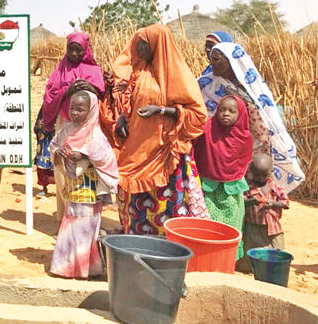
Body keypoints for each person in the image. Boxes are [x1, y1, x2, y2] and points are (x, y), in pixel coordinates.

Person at [104, 23, 209, 235]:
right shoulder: (138, 72)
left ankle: (164, 251)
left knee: (165, 205)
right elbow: (129, 103)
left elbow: (198, 115)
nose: (138, 50)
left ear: (156, 45)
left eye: (143, 45)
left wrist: (161, 111)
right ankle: (134, 243)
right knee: (135, 203)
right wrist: (124, 120)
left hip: (164, 154)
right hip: (137, 150)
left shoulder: (177, 76)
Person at [199, 41, 304, 194]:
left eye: (216, 59)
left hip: (250, 140)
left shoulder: (252, 87)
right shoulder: (206, 84)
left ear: (231, 62)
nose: (211, 63)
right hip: (217, 142)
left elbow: (265, 114)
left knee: (251, 176)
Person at [49, 91, 118, 279]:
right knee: (70, 224)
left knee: (86, 228)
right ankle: (65, 266)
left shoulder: (96, 135)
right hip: (72, 189)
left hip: (90, 191)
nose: (75, 113)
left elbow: (107, 160)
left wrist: (86, 156)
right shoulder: (66, 130)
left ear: (91, 110)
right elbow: (54, 146)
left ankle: (87, 268)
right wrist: (59, 152)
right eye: (72, 108)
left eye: (80, 109)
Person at [40, 32, 104, 220]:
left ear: (85, 51)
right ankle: (64, 217)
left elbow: (101, 93)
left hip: (87, 127)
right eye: (71, 49)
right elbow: (50, 95)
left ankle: (83, 217)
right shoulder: (60, 69)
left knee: (84, 168)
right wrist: (67, 90)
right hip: (64, 123)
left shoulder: (93, 70)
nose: (74, 54)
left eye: (79, 50)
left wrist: (89, 87)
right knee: (62, 167)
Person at [193, 95, 254, 259]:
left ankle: (225, 259)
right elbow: (196, 149)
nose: (226, 114)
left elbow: (245, 162)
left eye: (232, 111)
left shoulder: (244, 137)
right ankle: (205, 257)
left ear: (240, 114)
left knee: (231, 225)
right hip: (208, 188)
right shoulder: (208, 129)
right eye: (222, 110)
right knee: (206, 223)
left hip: (231, 190)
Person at [238, 154, 289, 271]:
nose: (260, 179)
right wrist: (252, 201)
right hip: (252, 226)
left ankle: (272, 267)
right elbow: (242, 203)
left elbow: (285, 203)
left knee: (276, 249)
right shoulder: (248, 189)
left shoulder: (276, 188)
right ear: (251, 172)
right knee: (249, 250)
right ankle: (248, 268)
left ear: (271, 172)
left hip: (272, 228)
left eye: (264, 175)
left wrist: (273, 203)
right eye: (257, 175)